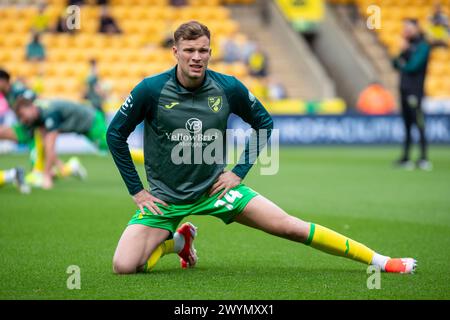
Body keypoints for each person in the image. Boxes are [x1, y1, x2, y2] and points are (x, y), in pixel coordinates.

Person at [107, 21, 416, 275]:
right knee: (124, 266)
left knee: (290, 227)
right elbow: (115, 135)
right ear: (175, 52)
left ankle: (381, 261)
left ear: (210, 52)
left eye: (203, 50)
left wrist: (238, 172)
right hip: (166, 199)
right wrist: (138, 191)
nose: (196, 57)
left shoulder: (228, 87)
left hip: (216, 191)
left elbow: (264, 124)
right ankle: (177, 243)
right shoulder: (151, 89)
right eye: (189, 50)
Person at [14, 97, 144, 190]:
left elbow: (50, 144)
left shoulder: (49, 113)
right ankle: (68, 168)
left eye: (21, 115)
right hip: (83, 125)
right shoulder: (38, 114)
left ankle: (146, 157)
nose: (22, 120)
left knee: (115, 148)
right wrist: (58, 166)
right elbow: (45, 143)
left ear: (30, 107)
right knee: (42, 143)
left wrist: (47, 176)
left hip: (91, 121)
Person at [392, 19, 432, 171]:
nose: (406, 30)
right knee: (407, 126)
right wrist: (402, 52)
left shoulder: (422, 46)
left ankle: (423, 158)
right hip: (404, 91)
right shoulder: (406, 46)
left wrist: (405, 53)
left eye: (408, 27)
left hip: (415, 91)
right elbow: (395, 63)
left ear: (416, 28)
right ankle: (406, 158)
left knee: (419, 124)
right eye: (404, 28)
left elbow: (412, 66)